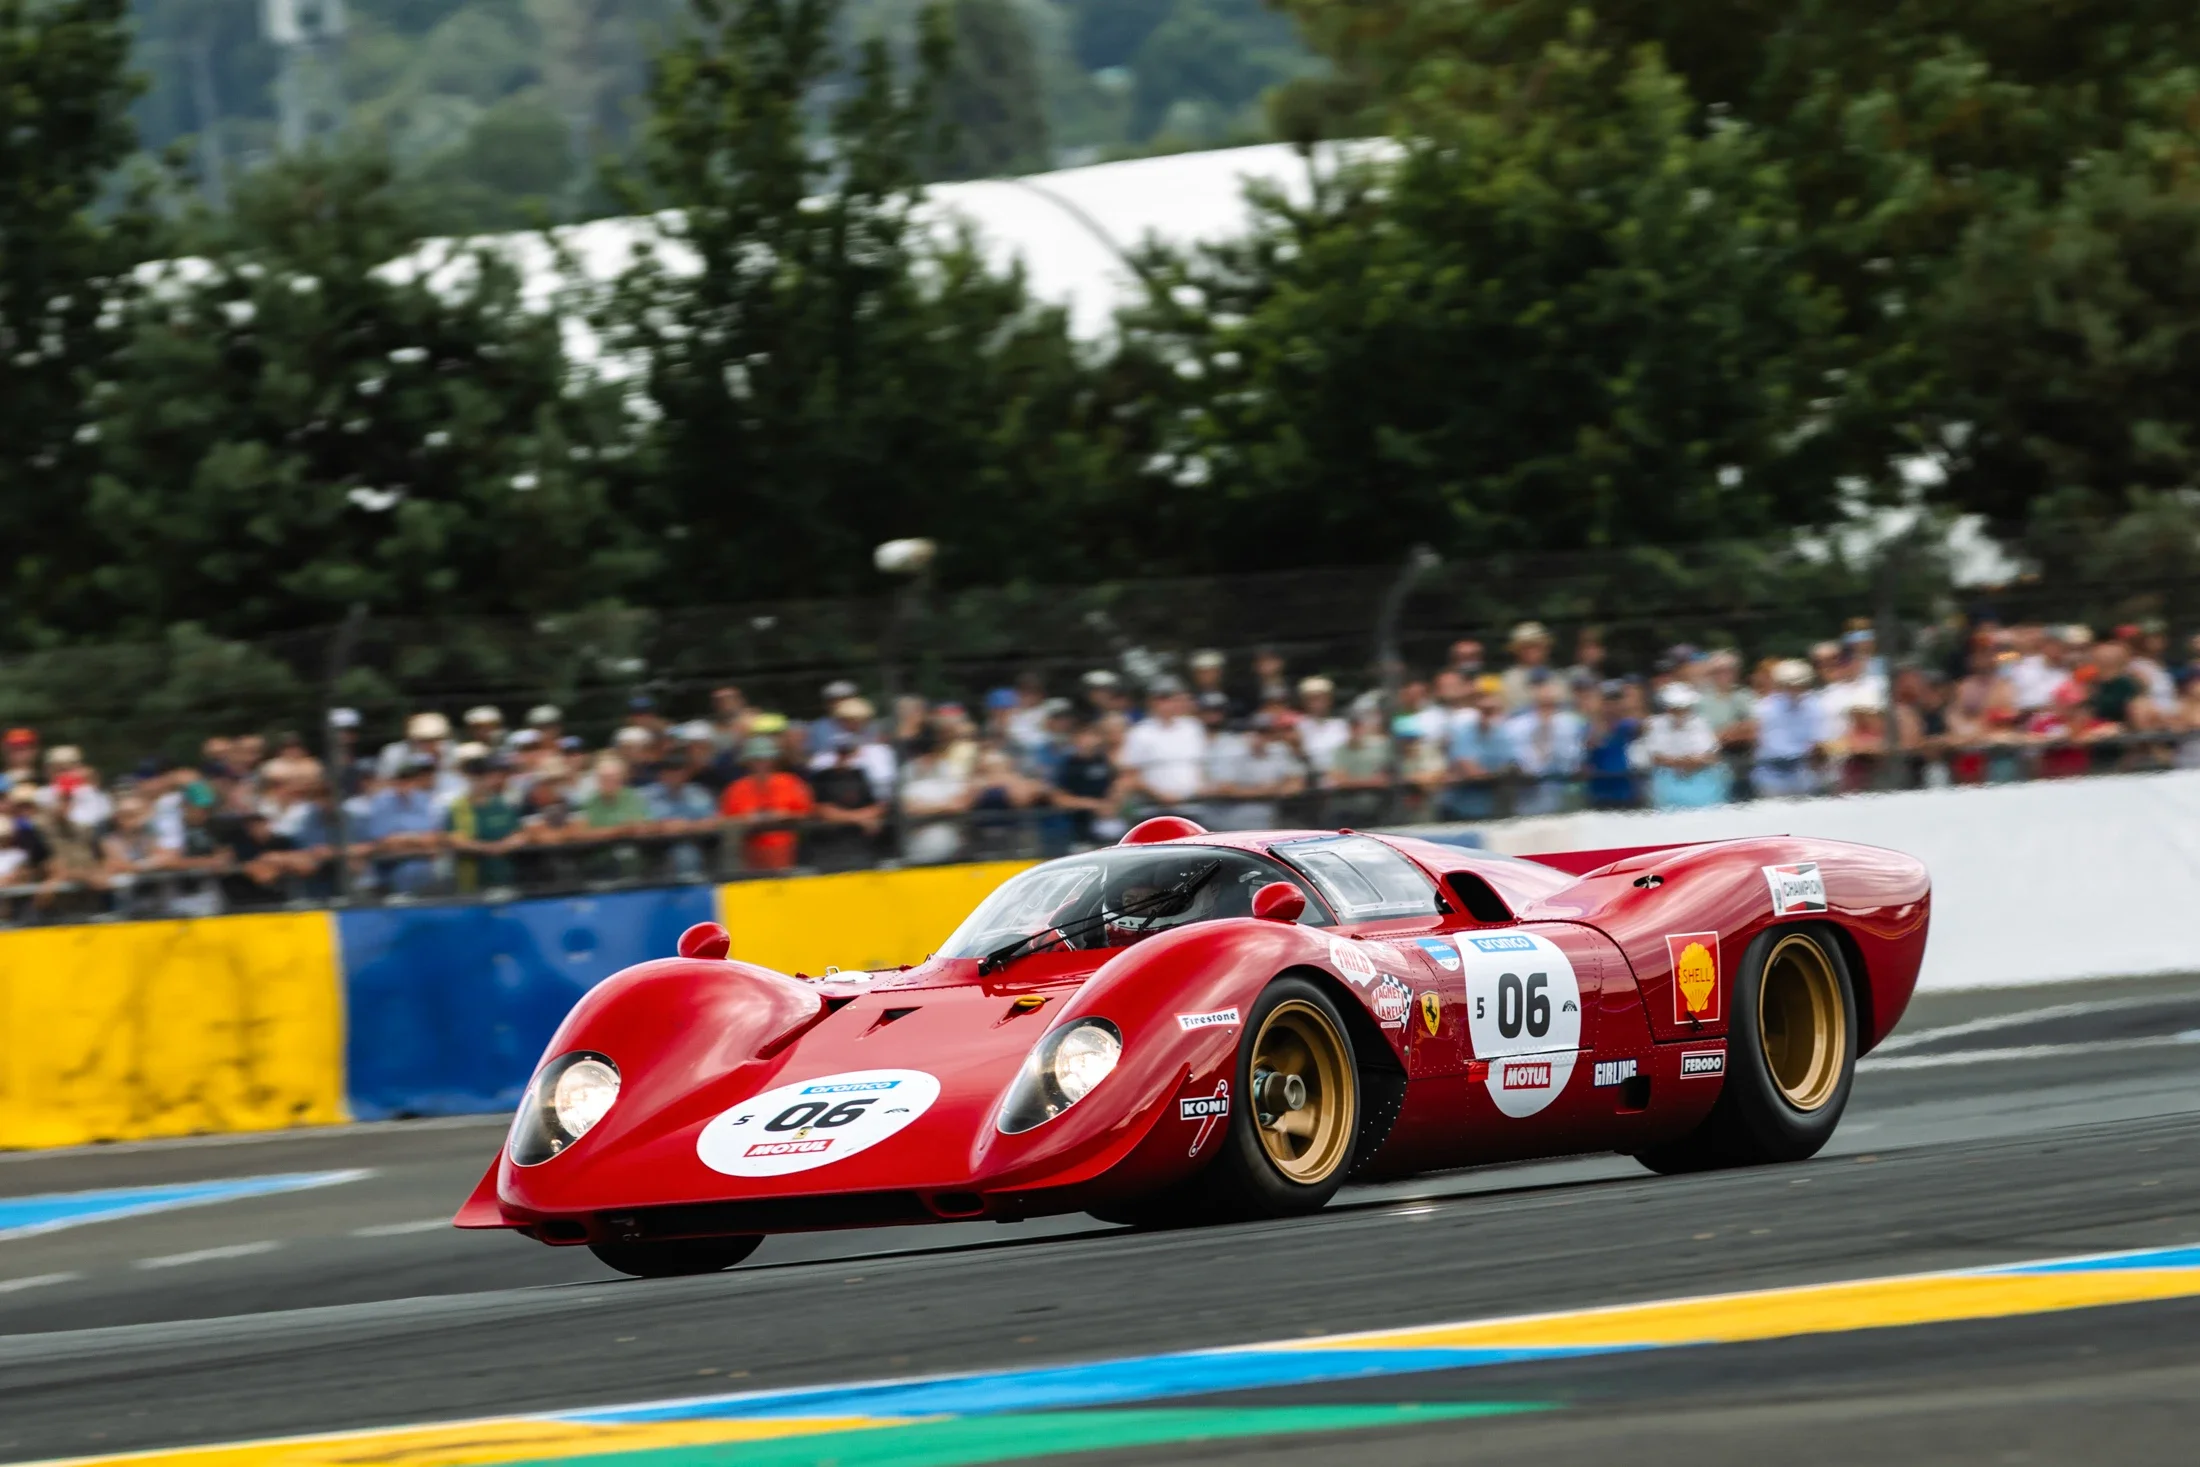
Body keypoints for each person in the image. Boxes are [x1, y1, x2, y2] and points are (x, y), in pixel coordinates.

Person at [717, 735, 814, 871]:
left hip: (788, 851)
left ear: (774, 761)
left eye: (766, 759)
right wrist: (747, 819)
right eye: (756, 760)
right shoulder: (735, 789)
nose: (762, 764)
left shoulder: (791, 782)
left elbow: (808, 814)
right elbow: (725, 820)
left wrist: (785, 815)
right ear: (747, 762)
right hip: (750, 852)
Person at [1115, 678, 1206, 812]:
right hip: (1153, 806)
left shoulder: (1193, 727)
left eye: (1172, 698)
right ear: (1151, 702)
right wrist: (1159, 795)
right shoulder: (1140, 732)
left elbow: (1201, 766)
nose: (1168, 704)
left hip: (1194, 804)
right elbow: (1130, 773)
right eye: (1162, 699)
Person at [1635, 683, 1731, 807]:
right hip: (1667, 781)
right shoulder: (1655, 724)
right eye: (1675, 708)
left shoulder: (1700, 723)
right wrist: (1684, 762)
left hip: (1702, 779)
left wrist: (1689, 762)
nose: (1680, 712)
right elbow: (1656, 757)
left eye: (1683, 707)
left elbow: (1711, 755)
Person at [1500, 676, 1585, 814]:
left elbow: (1575, 761)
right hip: (1528, 803)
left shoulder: (1570, 724)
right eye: (1542, 704)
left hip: (1564, 801)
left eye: (1551, 704)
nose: (1547, 709)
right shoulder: (1515, 726)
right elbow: (1514, 762)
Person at [363, 756, 446, 895]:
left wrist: (405, 839)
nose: (406, 783)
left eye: (410, 778)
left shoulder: (423, 799)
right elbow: (384, 842)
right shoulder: (381, 802)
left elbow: (434, 839)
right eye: (402, 779)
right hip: (391, 872)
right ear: (393, 780)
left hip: (426, 872)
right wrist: (418, 841)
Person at [805, 733, 885, 872]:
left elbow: (879, 806)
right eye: (841, 752)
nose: (844, 757)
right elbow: (822, 810)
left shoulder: (860, 774)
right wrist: (860, 819)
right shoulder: (822, 776)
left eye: (848, 752)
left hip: (861, 847)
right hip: (830, 847)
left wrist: (854, 817)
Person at [446, 756, 525, 892]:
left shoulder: (502, 804)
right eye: (476, 777)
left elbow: (520, 833)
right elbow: (455, 840)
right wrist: (490, 848)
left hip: (505, 876)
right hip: (473, 879)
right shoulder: (458, 807)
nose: (481, 781)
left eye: (485, 776)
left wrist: (506, 845)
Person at [643, 756, 721, 880]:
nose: (674, 775)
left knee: (686, 853)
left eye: (678, 771)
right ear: (661, 774)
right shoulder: (645, 795)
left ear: (686, 774)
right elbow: (637, 825)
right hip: (654, 846)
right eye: (669, 771)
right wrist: (662, 827)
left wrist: (687, 826)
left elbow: (714, 822)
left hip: (694, 842)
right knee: (684, 855)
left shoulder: (699, 793)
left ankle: (691, 894)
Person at [1753, 659, 1823, 797]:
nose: (1795, 689)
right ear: (1780, 685)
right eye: (1789, 685)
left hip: (1802, 767)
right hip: (1771, 769)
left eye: (1800, 684)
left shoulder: (1815, 706)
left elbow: (1819, 738)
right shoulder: (1764, 708)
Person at [1046, 721, 1119, 852]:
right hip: (1077, 828)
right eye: (1083, 736)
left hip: (1108, 822)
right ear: (1075, 739)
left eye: (1092, 735)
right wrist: (1096, 805)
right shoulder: (1068, 765)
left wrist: (1112, 803)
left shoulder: (1104, 761)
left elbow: (1116, 785)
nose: (1088, 740)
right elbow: (1060, 799)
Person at [1581, 681, 1644, 810]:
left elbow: (1641, 728)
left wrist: (1630, 704)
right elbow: (1591, 743)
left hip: (1626, 791)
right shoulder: (1589, 726)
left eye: (1616, 701)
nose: (1612, 706)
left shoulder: (1627, 725)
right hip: (1599, 792)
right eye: (1607, 701)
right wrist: (1596, 713)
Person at [1499, 623, 1555, 712]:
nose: (1532, 651)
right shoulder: (1508, 679)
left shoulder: (1557, 676)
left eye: (1537, 646)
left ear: (1546, 648)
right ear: (1516, 650)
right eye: (1526, 647)